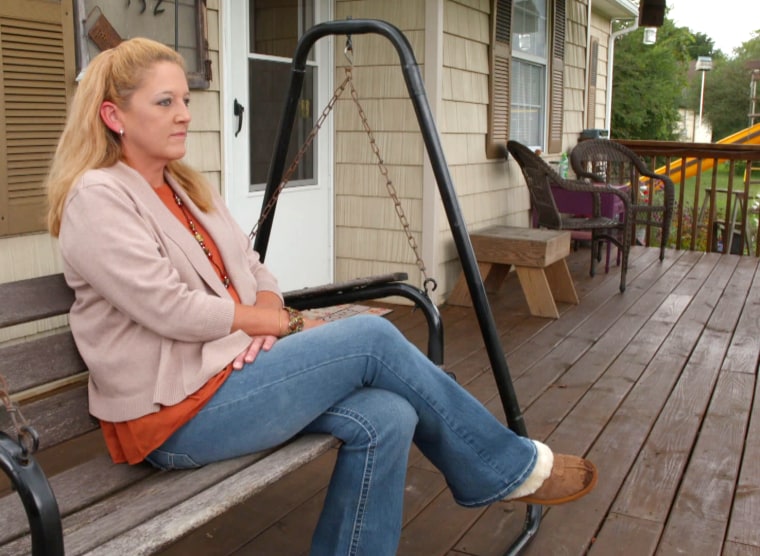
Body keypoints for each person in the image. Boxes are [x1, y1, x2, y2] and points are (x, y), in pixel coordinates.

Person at [46, 37, 597, 555]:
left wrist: (263, 310)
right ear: (115, 116)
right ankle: (506, 468)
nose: (185, 113)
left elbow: (251, 264)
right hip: (171, 414)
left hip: (228, 377)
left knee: (388, 413)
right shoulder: (98, 199)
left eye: (185, 99)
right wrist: (278, 325)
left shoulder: (185, 185)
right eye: (164, 102)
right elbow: (168, 308)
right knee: (371, 338)